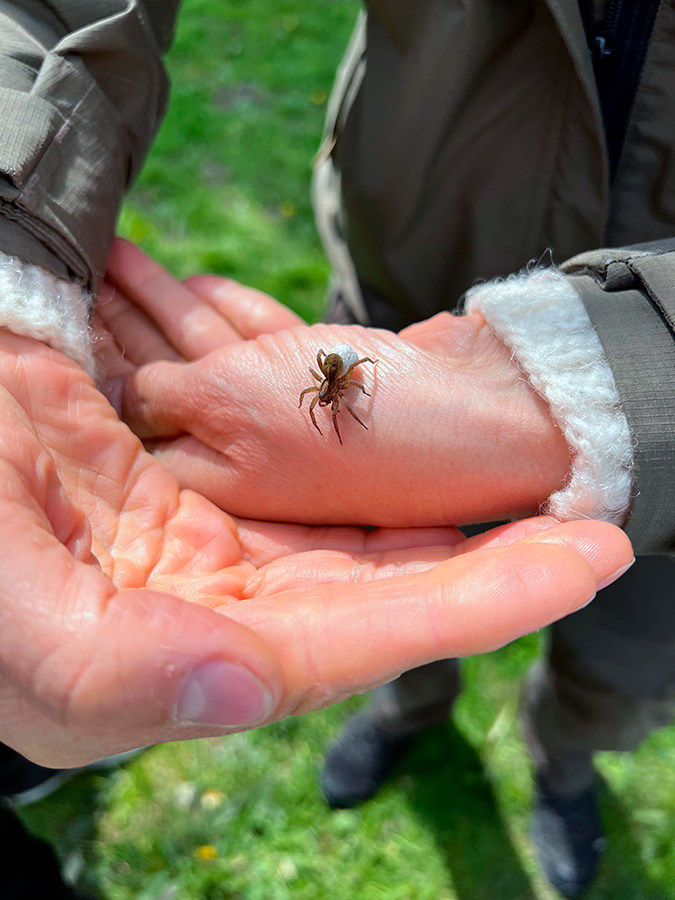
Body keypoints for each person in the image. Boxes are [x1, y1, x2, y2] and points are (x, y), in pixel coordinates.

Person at [0, 1, 660, 897]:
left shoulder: (345, 384)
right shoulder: (342, 377)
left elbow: (345, 389)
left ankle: (566, 765)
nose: (334, 397)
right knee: (408, 607)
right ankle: (405, 708)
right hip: (408, 254)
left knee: (625, 652)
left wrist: (624, 379)